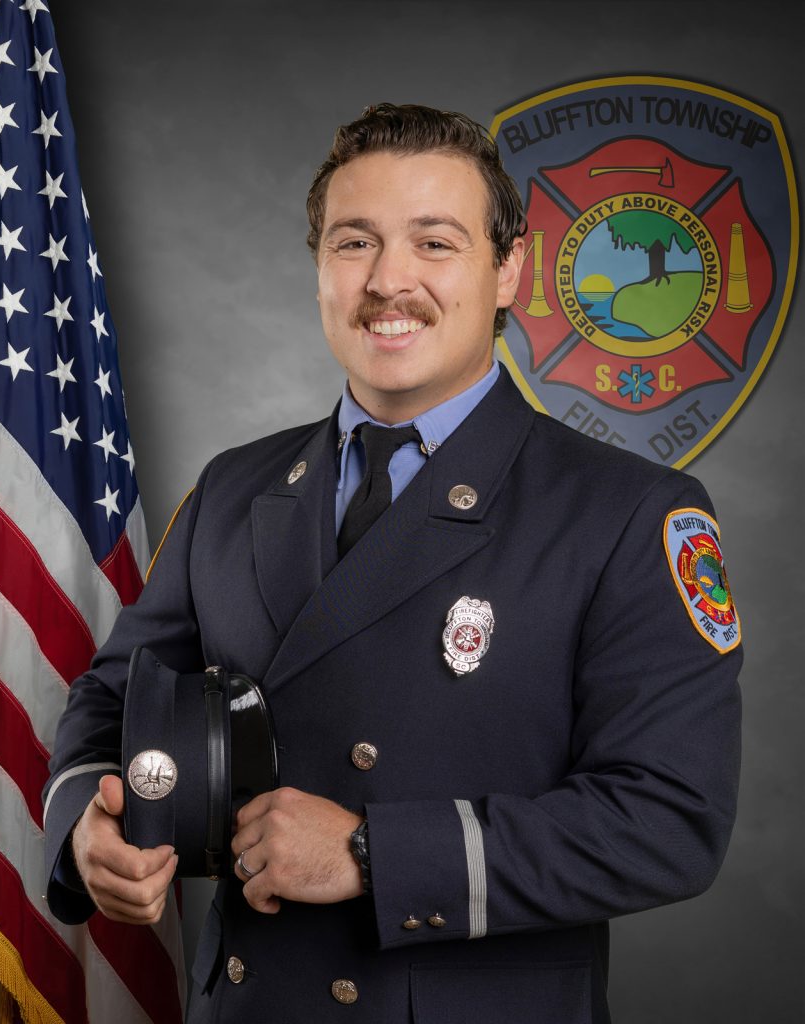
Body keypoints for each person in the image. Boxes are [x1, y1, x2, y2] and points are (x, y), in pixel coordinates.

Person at [43, 103, 742, 1023]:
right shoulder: (234, 488)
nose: (388, 281)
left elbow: (669, 820)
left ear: (509, 272)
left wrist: (376, 855)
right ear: (320, 271)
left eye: (435, 244)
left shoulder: (627, 512)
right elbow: (113, 697)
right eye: (353, 243)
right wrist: (85, 827)